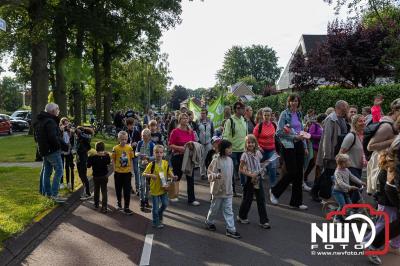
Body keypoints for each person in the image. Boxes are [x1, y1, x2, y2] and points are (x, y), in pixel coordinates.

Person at [270, 94, 308, 210]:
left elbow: (301, 131)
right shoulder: (284, 114)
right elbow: (279, 132)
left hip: (299, 145)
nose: (294, 103)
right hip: (288, 145)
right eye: (292, 101)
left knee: (299, 174)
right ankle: (275, 191)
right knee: (292, 171)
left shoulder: (299, 113)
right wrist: (294, 138)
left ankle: (296, 202)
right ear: (289, 102)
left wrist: (305, 145)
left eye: (296, 101)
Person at [312, 100, 349, 202]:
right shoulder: (331, 119)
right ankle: (323, 196)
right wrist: (327, 155)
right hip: (331, 153)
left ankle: (315, 191)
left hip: (338, 152)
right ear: (339, 108)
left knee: (327, 174)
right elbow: (327, 139)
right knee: (328, 174)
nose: (347, 109)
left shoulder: (342, 118)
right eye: (345, 107)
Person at [205, 140, 241, 239]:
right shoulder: (216, 160)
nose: (230, 150)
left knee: (229, 210)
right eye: (228, 148)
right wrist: (216, 175)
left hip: (228, 190)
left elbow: (230, 176)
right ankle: (209, 222)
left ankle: (231, 229)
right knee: (214, 209)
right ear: (223, 149)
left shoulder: (230, 160)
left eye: (231, 148)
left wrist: (232, 188)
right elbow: (209, 174)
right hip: (218, 191)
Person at [366, 98, 400, 195]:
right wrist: (393, 140)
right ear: (396, 111)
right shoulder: (387, 126)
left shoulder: (394, 124)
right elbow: (370, 146)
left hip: (387, 164)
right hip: (380, 165)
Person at [237, 135, 271, 229]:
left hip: (257, 178)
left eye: (252, 142)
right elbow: (240, 169)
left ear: (255, 143)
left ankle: (264, 221)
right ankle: (241, 216)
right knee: (247, 199)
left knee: (261, 199)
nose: (250, 144)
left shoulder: (258, 153)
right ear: (246, 144)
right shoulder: (244, 155)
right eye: (248, 142)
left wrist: (265, 163)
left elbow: (258, 164)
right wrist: (250, 175)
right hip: (250, 179)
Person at [35, 103, 66, 203]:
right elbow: (53, 137)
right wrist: (58, 147)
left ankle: (47, 193)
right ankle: (54, 194)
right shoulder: (50, 122)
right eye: (58, 109)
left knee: (47, 172)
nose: (58, 111)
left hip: (44, 151)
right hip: (52, 151)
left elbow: (36, 137)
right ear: (53, 111)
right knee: (59, 171)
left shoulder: (40, 120)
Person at [168, 113, 200, 205]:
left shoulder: (190, 131)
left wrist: (192, 146)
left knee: (190, 178)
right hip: (177, 156)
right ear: (179, 120)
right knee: (176, 176)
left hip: (188, 157)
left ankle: (192, 199)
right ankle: (172, 195)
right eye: (183, 118)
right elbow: (170, 145)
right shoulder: (175, 131)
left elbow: (194, 143)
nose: (185, 120)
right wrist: (179, 148)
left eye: (186, 118)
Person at [143, 145, 176, 229]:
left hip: (164, 188)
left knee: (165, 204)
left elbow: (169, 171)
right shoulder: (152, 164)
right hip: (154, 189)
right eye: (157, 152)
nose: (159, 154)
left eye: (161, 152)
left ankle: (160, 213)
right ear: (154, 153)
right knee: (155, 208)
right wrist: (151, 175)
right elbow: (144, 173)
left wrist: (173, 176)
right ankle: (155, 222)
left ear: (163, 153)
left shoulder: (165, 163)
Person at [339, 114, 366, 203]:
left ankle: (343, 211)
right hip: (350, 167)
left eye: (364, 121)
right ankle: (351, 208)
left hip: (358, 167)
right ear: (354, 124)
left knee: (351, 191)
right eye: (360, 121)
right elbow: (341, 152)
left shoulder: (362, 136)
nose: (363, 123)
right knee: (358, 188)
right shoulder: (351, 136)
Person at [331, 153, 365, 223]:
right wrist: (350, 187)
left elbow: (352, 177)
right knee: (343, 205)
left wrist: (360, 182)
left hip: (345, 191)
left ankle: (344, 215)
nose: (349, 162)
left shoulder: (346, 170)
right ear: (342, 163)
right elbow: (340, 183)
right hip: (338, 192)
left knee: (349, 205)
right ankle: (336, 218)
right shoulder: (337, 172)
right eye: (348, 161)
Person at [223, 101, 248, 195]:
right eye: (238, 108)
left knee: (243, 171)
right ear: (235, 110)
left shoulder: (244, 120)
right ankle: (232, 190)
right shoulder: (230, 121)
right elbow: (225, 135)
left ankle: (245, 190)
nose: (241, 109)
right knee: (231, 171)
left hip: (243, 150)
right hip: (232, 151)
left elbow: (245, 135)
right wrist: (226, 149)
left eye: (242, 107)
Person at [253, 107, 277, 187]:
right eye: (265, 115)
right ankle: (256, 185)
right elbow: (254, 138)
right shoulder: (258, 126)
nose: (266, 117)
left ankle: (273, 187)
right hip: (261, 151)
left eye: (268, 115)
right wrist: (258, 147)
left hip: (271, 150)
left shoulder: (274, 125)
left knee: (273, 167)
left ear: (271, 116)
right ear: (262, 116)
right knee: (257, 168)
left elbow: (276, 136)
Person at [112, 131, 134, 215]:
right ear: (119, 139)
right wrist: (114, 169)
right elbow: (113, 160)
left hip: (127, 173)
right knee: (118, 188)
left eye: (125, 139)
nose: (124, 141)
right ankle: (118, 202)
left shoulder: (129, 148)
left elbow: (131, 159)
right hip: (118, 173)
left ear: (127, 139)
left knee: (127, 190)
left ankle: (127, 207)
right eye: (122, 139)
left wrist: (131, 170)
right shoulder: (115, 148)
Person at [87, 142, 111, 213]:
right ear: (103, 148)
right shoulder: (106, 156)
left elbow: (88, 166)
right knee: (104, 191)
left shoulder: (92, 157)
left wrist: (89, 157)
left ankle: (96, 204)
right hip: (104, 176)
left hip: (96, 176)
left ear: (96, 148)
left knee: (96, 190)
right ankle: (104, 206)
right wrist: (106, 154)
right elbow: (108, 163)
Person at [136, 128, 155, 212]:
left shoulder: (152, 145)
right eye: (143, 136)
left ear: (149, 136)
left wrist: (148, 157)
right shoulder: (139, 143)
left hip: (149, 168)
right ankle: (142, 201)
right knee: (142, 185)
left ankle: (146, 199)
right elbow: (135, 152)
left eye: (146, 136)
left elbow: (154, 156)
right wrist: (139, 154)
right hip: (141, 166)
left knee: (147, 185)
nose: (144, 138)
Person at [304, 113, 325, 187]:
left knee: (313, 164)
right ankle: (313, 181)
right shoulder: (314, 125)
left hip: (320, 148)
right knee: (316, 164)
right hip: (314, 148)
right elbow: (310, 135)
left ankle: (306, 177)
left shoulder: (323, 126)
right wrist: (321, 136)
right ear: (322, 120)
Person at [75, 126, 94, 200]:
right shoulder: (79, 139)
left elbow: (87, 139)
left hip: (83, 159)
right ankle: (85, 190)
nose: (76, 134)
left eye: (77, 133)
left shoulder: (85, 138)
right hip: (79, 159)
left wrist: (80, 133)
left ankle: (88, 193)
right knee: (81, 175)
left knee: (84, 175)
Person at [196, 108, 214, 179]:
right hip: (201, 143)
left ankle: (209, 172)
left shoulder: (210, 122)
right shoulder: (198, 122)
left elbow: (212, 131)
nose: (202, 115)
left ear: (206, 114)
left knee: (209, 158)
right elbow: (196, 132)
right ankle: (202, 174)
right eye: (201, 113)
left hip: (209, 142)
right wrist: (198, 141)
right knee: (202, 158)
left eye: (204, 113)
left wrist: (212, 141)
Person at [126, 118, 141, 195]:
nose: (132, 126)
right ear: (127, 125)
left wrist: (137, 143)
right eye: (130, 125)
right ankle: (129, 187)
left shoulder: (137, 132)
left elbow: (140, 142)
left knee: (136, 171)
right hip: (127, 155)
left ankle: (138, 188)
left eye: (133, 124)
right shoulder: (125, 133)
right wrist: (129, 145)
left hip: (135, 154)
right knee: (128, 172)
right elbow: (121, 142)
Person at [60, 118, 75, 191]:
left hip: (69, 151)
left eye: (67, 124)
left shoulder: (71, 132)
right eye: (64, 124)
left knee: (67, 166)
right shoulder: (60, 131)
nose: (66, 125)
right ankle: (61, 182)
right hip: (61, 151)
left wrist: (70, 150)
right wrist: (62, 130)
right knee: (61, 167)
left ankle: (68, 182)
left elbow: (72, 142)